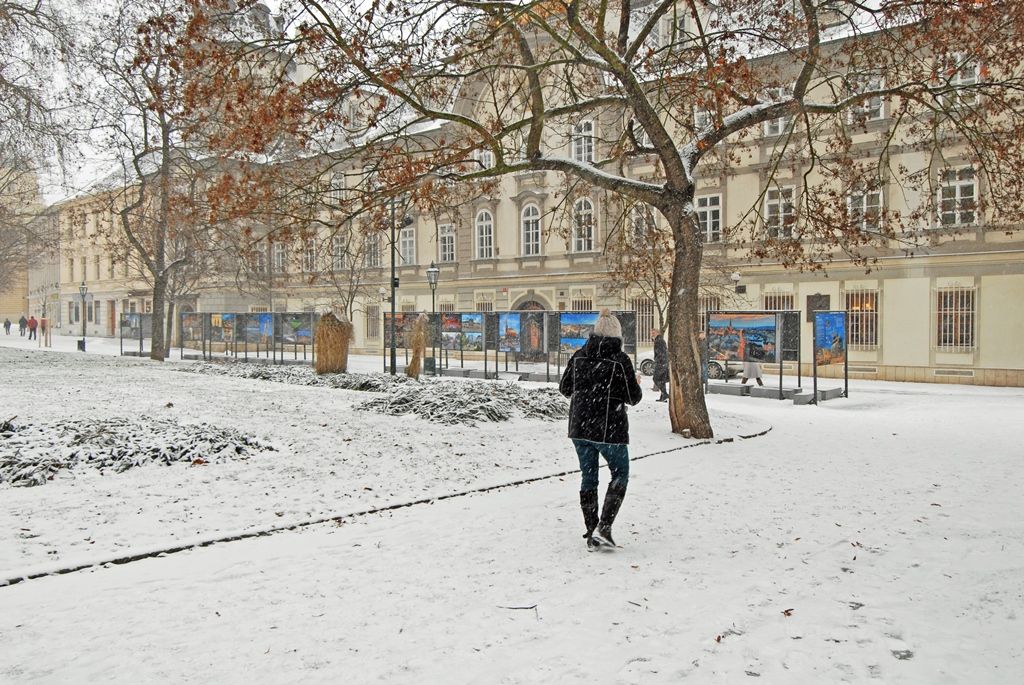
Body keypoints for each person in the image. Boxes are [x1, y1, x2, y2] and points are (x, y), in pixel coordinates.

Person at [559, 309, 643, 549]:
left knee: (589, 477)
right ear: (617, 335)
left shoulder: (579, 356)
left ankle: (591, 529)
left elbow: (565, 389)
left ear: (593, 332)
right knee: (620, 474)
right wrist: (633, 384)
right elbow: (633, 397)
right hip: (609, 429)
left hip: (579, 427)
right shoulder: (620, 360)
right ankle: (603, 527)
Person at [651, 328, 669, 402]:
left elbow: (661, 353)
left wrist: (658, 361)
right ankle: (663, 396)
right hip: (663, 362)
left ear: (658, 333)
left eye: (653, 333)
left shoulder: (659, 341)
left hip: (661, 363)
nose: (652, 334)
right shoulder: (659, 340)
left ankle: (664, 394)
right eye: (651, 333)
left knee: (656, 378)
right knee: (662, 380)